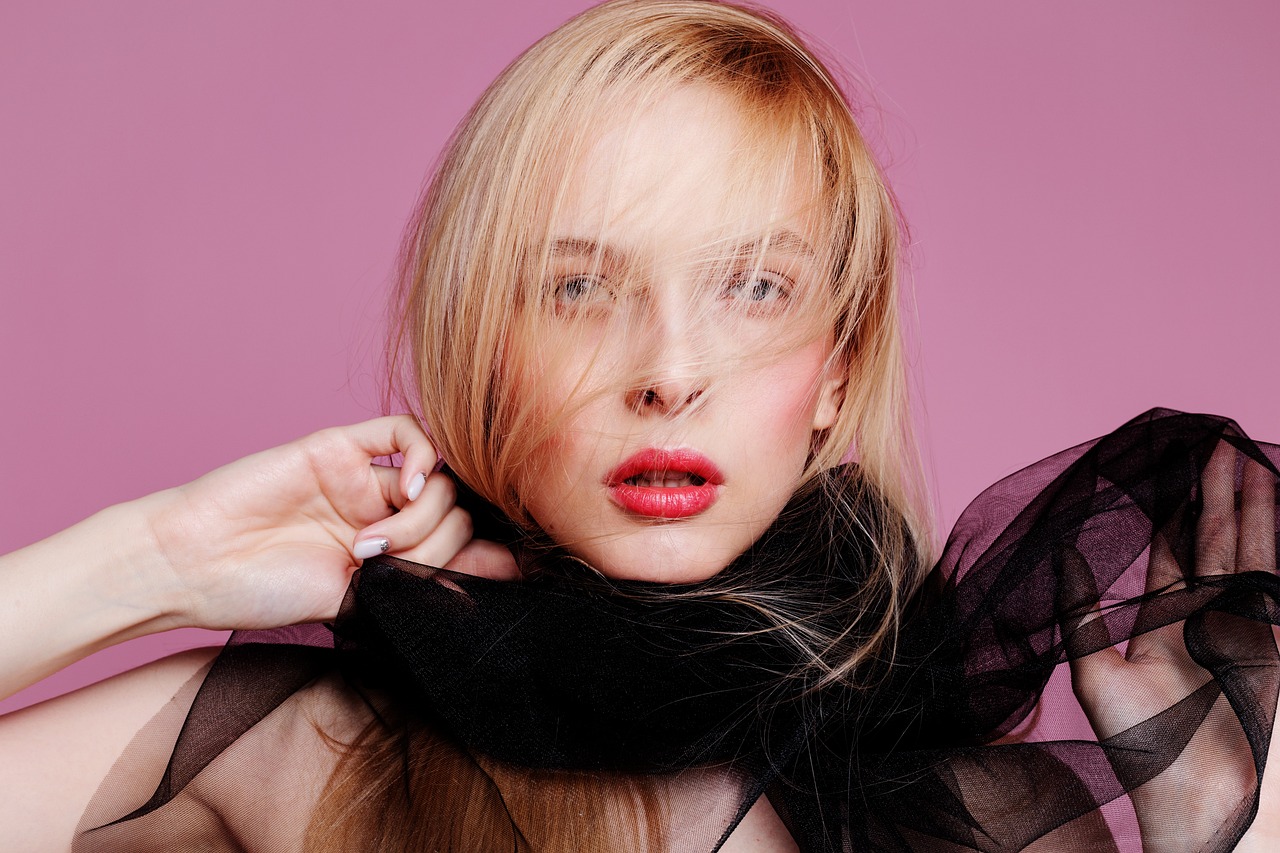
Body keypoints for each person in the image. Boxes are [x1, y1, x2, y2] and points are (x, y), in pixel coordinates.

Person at [2, 1, 1278, 850]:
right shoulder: (306, 748)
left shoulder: (988, 805)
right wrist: (156, 557)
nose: (667, 373)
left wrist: (1229, 815)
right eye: (578, 288)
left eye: (753, 288)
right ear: (484, 350)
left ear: (833, 375)